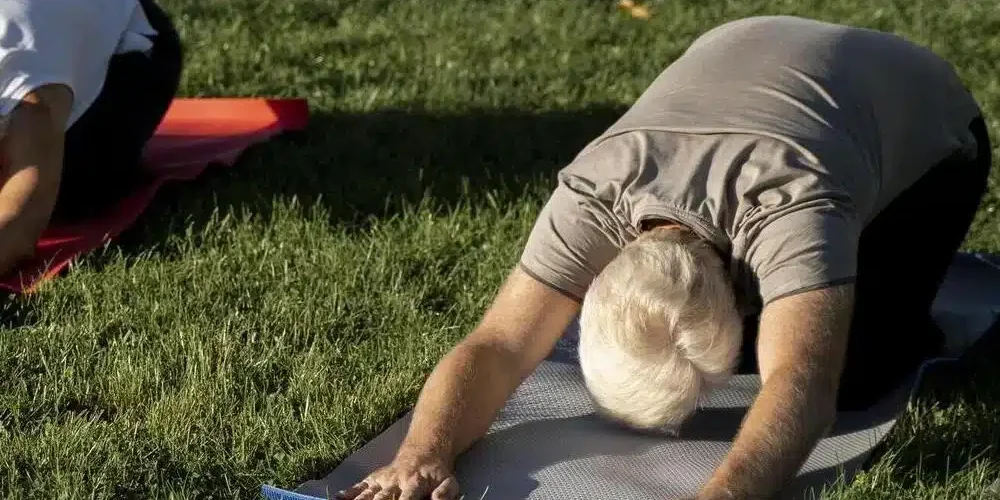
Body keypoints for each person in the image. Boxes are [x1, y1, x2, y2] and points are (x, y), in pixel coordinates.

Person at [336, 15, 993, 500]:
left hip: (933, 126)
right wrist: (422, 455)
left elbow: (805, 386)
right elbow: (499, 343)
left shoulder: (793, 204)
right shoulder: (591, 194)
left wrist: (726, 492)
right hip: (749, 49)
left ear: (740, 296)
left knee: (855, 378)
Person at [0, 0, 183, 276]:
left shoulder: (30, 94)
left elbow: (21, 221)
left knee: (68, 198)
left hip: (132, 46)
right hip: (60, 24)